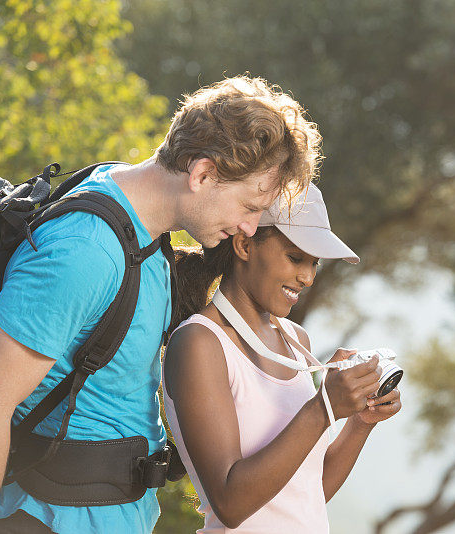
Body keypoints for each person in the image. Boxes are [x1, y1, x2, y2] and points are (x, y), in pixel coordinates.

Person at [0, 75, 322, 534]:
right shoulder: (85, 248)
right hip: (51, 518)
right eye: (249, 205)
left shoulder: (142, 230)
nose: (249, 228)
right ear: (202, 174)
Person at [163, 184, 403, 532]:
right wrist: (323, 407)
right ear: (244, 245)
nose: (306, 277)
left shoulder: (296, 340)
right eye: (295, 258)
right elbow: (230, 503)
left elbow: (306, 492)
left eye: (314, 263)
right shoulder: (199, 342)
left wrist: (359, 422)